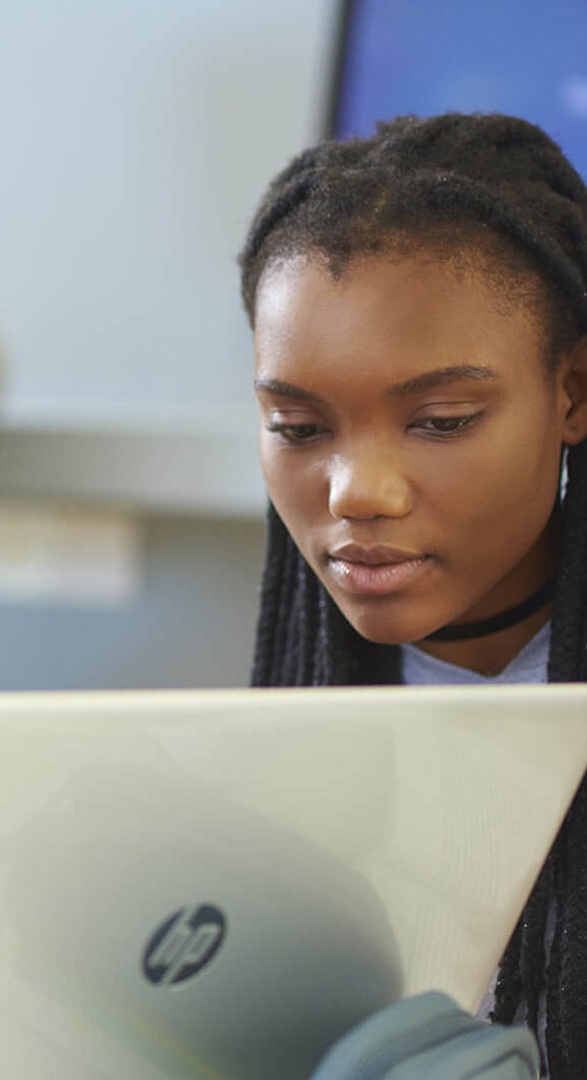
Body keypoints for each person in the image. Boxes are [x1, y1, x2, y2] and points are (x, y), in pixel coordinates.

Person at [239, 113, 587, 1074]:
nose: (359, 493)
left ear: (573, 391)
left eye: (440, 421)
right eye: (300, 428)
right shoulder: (254, 752)